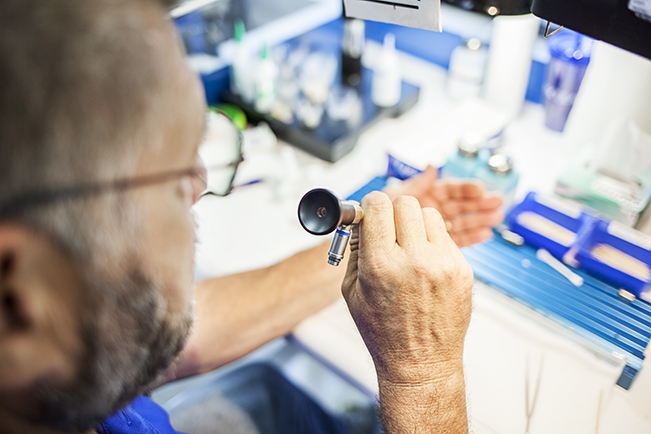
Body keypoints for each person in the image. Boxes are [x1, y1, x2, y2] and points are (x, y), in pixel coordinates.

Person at [0, 0, 503, 433]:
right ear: (19, 291)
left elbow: (168, 326)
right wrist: (423, 378)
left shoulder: (57, 360)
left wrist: (373, 245)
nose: (199, 188)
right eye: (174, 174)